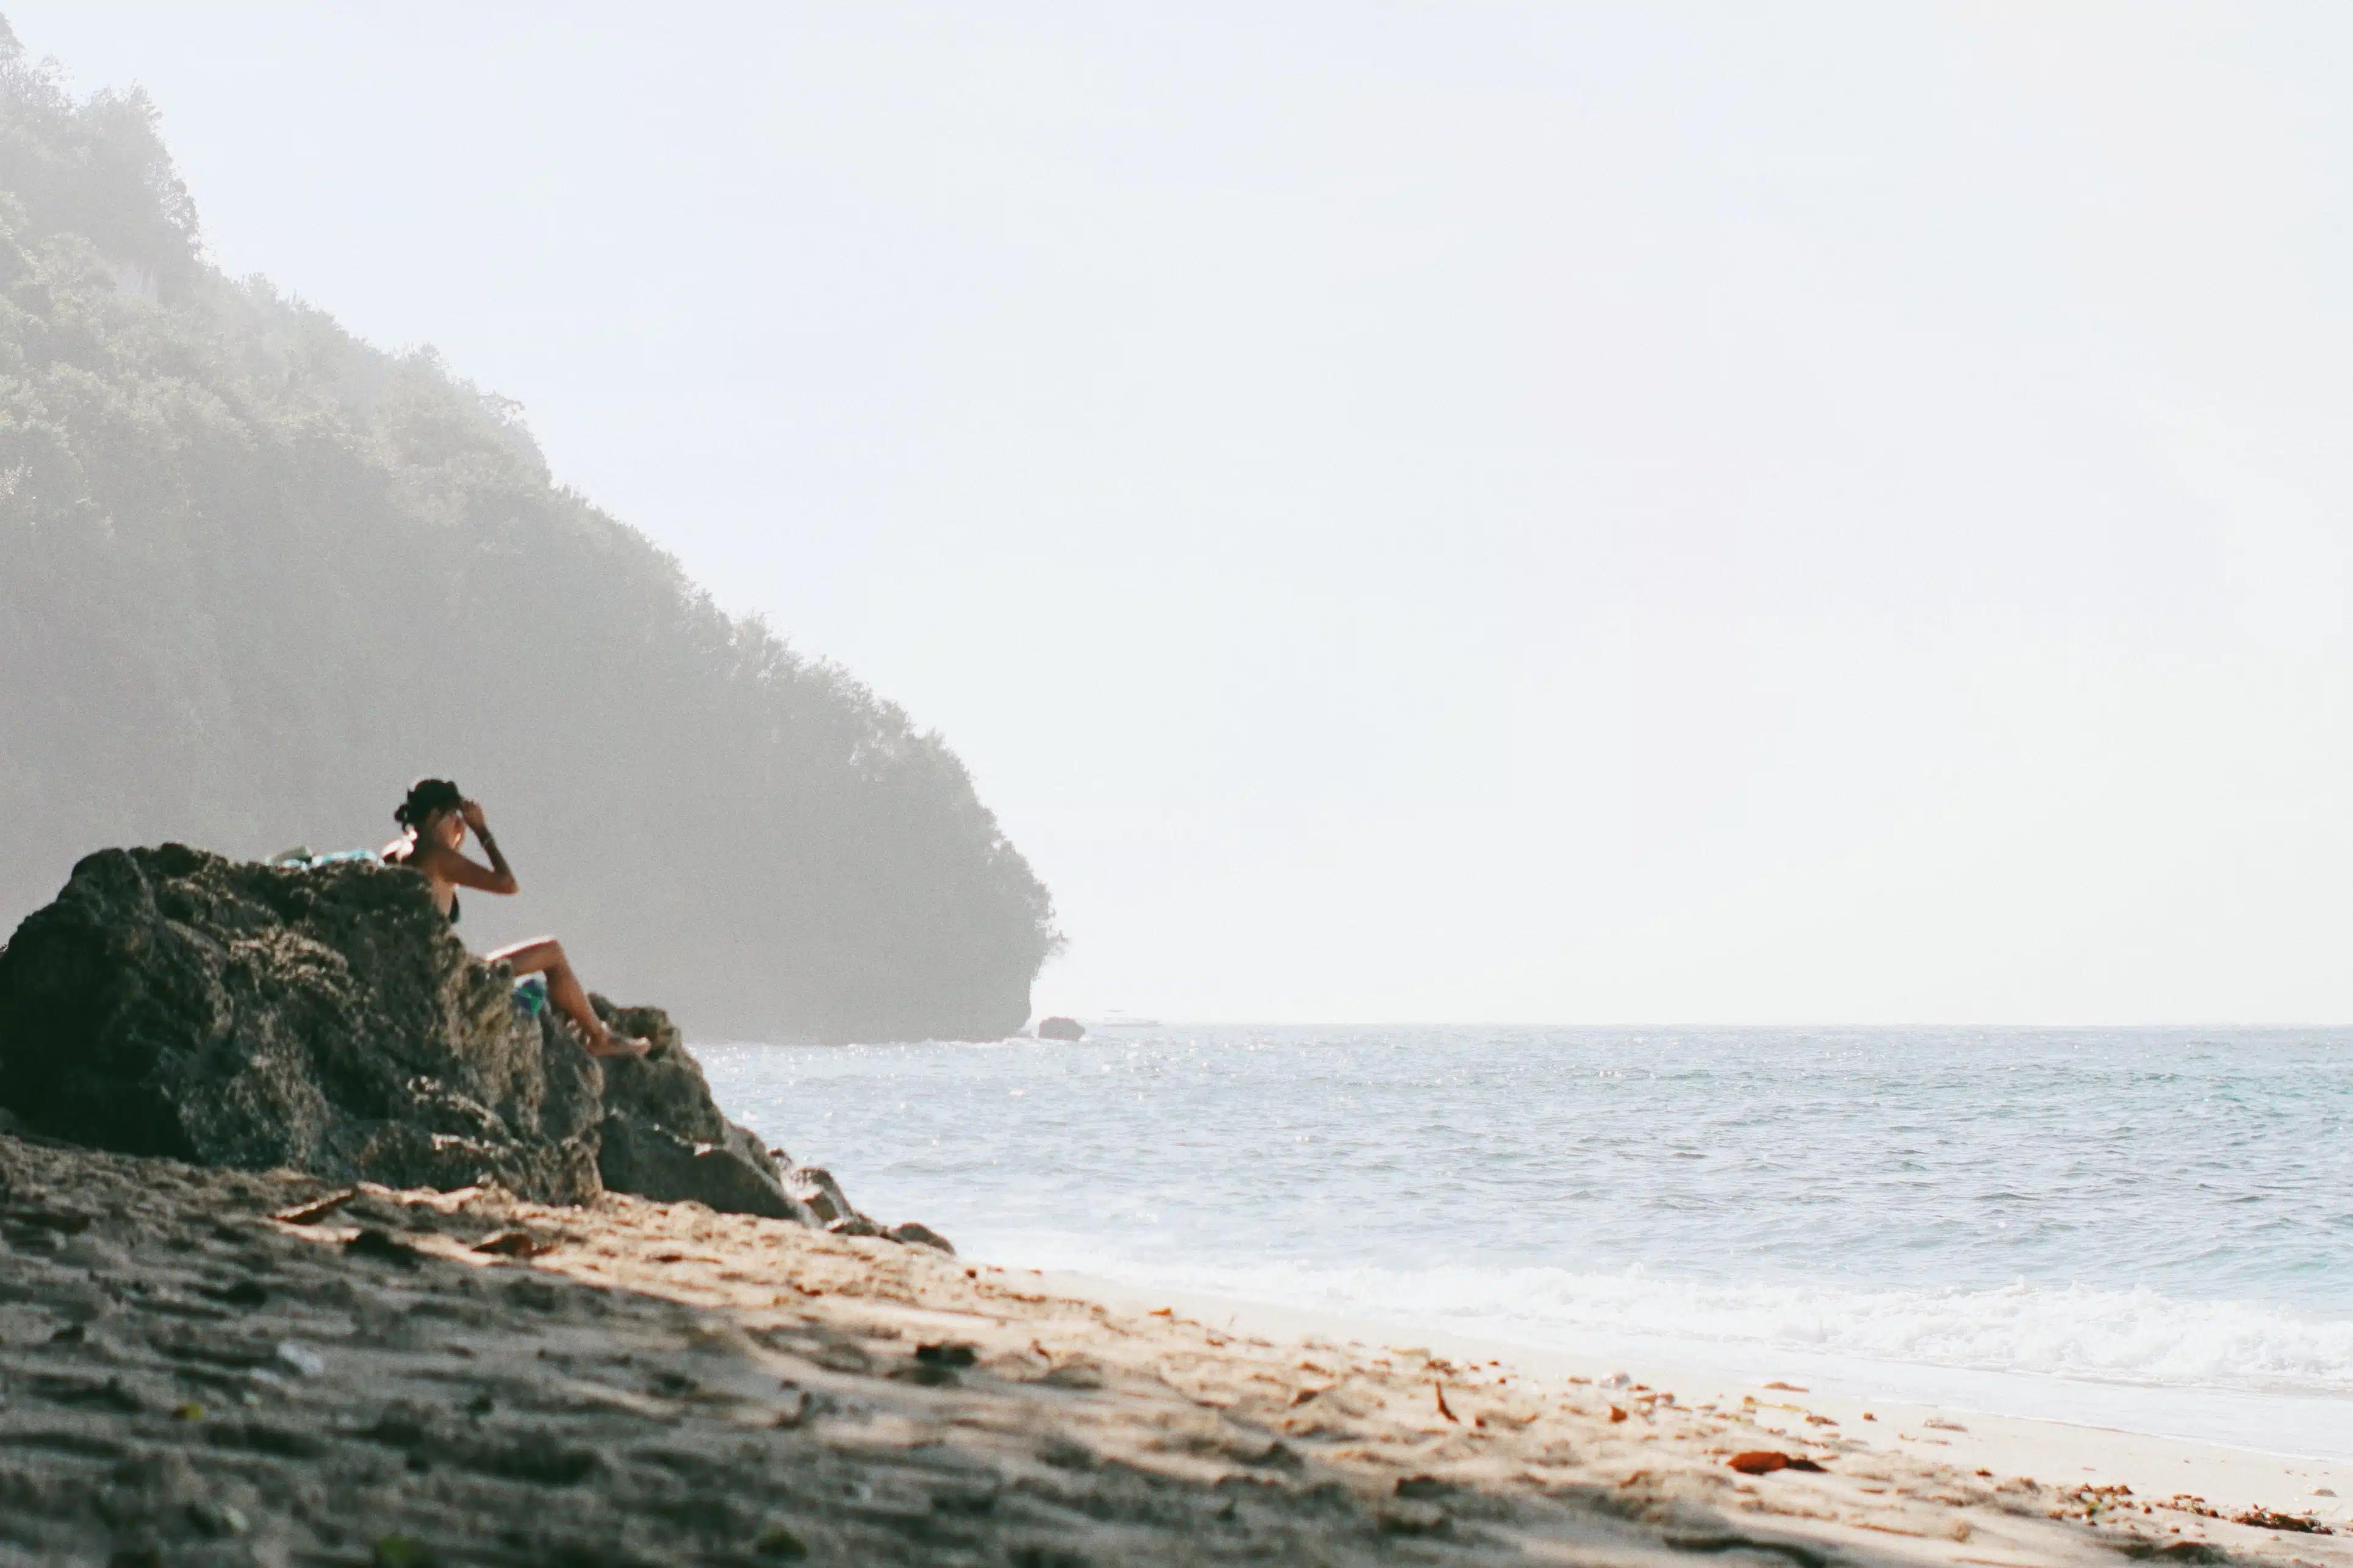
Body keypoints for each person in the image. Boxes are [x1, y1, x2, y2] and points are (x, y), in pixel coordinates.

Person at [382, 778, 650, 1059]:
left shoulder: (395, 853)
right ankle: (600, 1038)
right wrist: (482, 831)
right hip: (447, 977)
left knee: (544, 958)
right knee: (552, 952)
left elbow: (440, 881)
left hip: (420, 970)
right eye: (452, 817)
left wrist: (455, 839)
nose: (456, 824)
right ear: (436, 816)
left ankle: (584, 1030)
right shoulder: (437, 857)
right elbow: (508, 884)